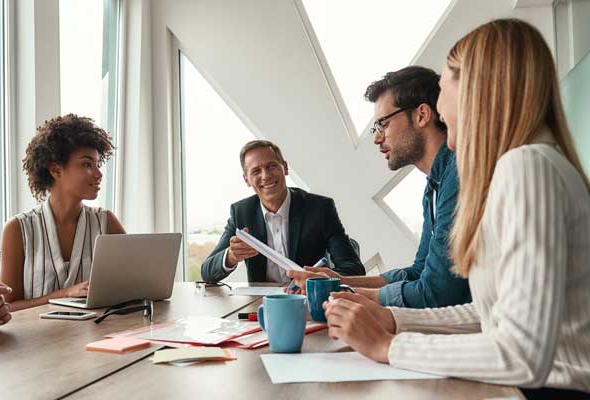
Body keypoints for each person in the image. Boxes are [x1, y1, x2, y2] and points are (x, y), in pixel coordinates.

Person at [323, 19, 590, 398]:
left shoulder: (527, 167)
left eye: (445, 88)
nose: (440, 109)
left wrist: (388, 347)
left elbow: (522, 352)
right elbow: (490, 315)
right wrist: (393, 319)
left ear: (479, 90)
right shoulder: (525, 165)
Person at [288, 66, 470, 309]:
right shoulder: (434, 187)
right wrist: (341, 280)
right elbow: (418, 271)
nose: (377, 138)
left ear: (422, 115)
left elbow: (436, 293)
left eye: (383, 124)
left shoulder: (457, 174)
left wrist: (344, 291)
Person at [0, 114, 125, 311]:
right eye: (86, 164)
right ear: (56, 170)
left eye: (97, 164)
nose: (98, 174)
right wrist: (64, 294)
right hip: (40, 340)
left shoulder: (106, 222)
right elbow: (8, 307)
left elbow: (133, 287)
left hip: (93, 335)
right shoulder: (18, 229)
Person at [201, 140, 365, 283]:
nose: (265, 176)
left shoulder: (320, 208)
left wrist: (320, 278)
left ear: (285, 168)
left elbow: (354, 269)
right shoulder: (241, 212)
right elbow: (207, 272)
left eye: (271, 166)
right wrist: (230, 256)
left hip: (309, 300)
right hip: (263, 305)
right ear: (247, 180)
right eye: (256, 171)